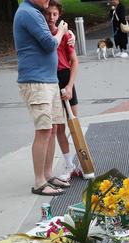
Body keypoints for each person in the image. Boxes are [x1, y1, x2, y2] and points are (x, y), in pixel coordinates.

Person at [14, 0, 72, 195]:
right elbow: (49, 44)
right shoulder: (29, 13)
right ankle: (39, 182)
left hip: (48, 79)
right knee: (44, 130)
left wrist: (66, 34)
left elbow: (50, 35)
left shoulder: (36, 12)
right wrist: (63, 31)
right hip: (36, 81)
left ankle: (48, 175)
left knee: (53, 128)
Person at [45, 0, 81, 181]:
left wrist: (69, 86)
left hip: (66, 77)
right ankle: (69, 166)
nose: (51, 17)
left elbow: (74, 61)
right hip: (50, 81)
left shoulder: (66, 35)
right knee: (58, 127)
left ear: (59, 16)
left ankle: (83, 163)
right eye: (48, 14)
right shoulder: (43, 34)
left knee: (75, 125)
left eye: (55, 14)